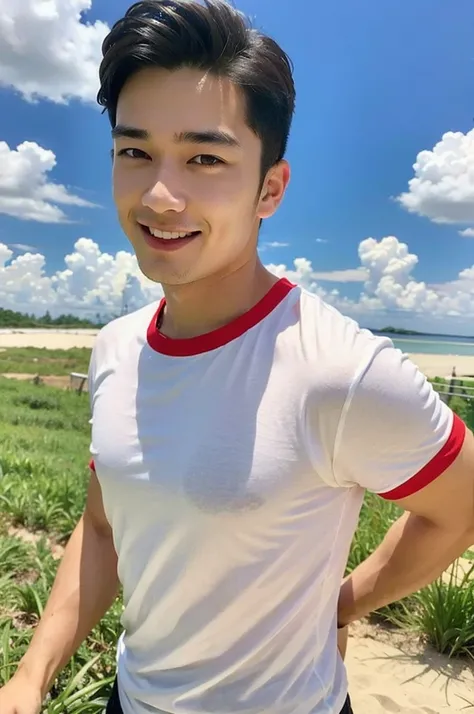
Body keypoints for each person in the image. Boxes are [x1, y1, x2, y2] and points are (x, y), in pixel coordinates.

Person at [1, 1, 473, 713]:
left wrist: (343, 606)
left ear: (271, 189)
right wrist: (31, 676)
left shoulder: (340, 371)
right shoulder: (115, 347)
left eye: (205, 158)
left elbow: (459, 506)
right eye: (135, 152)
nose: (161, 195)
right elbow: (103, 525)